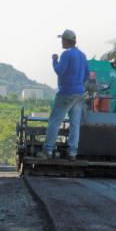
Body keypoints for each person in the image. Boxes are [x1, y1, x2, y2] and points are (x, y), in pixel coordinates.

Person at [38, 29, 88, 160]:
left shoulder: (66, 54)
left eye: (62, 40)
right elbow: (87, 75)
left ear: (67, 41)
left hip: (66, 93)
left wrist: (54, 60)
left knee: (54, 121)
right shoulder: (82, 55)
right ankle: (72, 153)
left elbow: (59, 71)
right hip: (79, 94)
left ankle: (47, 151)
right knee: (75, 124)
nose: (61, 42)